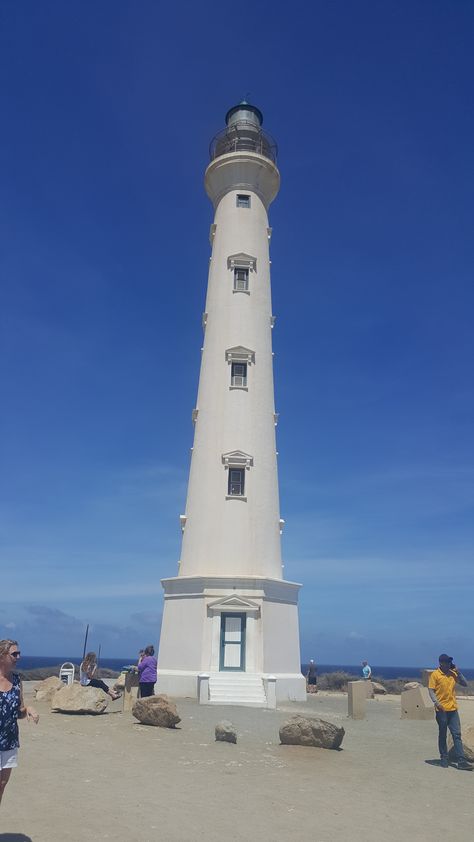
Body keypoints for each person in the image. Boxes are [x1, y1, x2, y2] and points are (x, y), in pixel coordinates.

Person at [0, 639, 39, 807]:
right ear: (2, 656)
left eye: (19, 653)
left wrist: (28, 710)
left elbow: (18, 712)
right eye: (14, 654)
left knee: (1, 785)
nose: (18, 657)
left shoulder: (16, 680)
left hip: (9, 741)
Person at [428, 654, 472, 770]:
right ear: (441, 663)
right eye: (447, 662)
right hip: (441, 710)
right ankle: (444, 757)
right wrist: (437, 703)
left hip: (453, 709)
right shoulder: (435, 675)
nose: (449, 664)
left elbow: (465, 683)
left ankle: (461, 760)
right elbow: (431, 690)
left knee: (456, 734)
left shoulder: (453, 674)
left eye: (450, 662)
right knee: (442, 734)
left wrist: (459, 672)